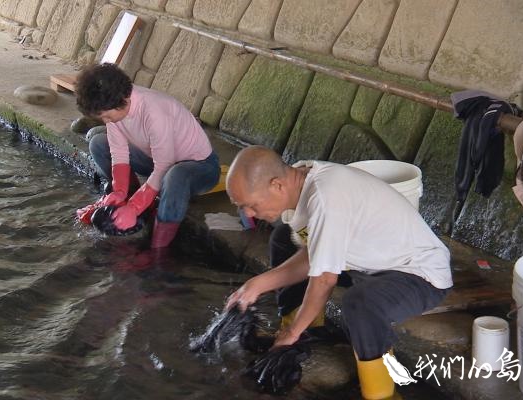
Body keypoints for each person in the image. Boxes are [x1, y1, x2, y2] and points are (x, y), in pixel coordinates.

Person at [224, 146, 452, 400]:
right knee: (283, 239)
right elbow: (313, 256)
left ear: (277, 185)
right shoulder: (300, 179)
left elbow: (324, 280)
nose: (248, 214)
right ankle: (308, 329)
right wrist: (256, 285)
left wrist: (290, 334)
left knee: (361, 303)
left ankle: (381, 392)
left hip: (418, 273)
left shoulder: (324, 196)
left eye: (251, 205)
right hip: (369, 263)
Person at [75, 63, 220, 248]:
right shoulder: (114, 106)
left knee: (174, 175)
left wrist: (135, 207)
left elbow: (164, 166)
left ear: (122, 100)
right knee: (98, 144)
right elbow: (119, 153)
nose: (105, 121)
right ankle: (129, 200)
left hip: (200, 167)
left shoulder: (153, 110)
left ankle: (158, 249)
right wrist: (119, 191)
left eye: (106, 116)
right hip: (156, 159)